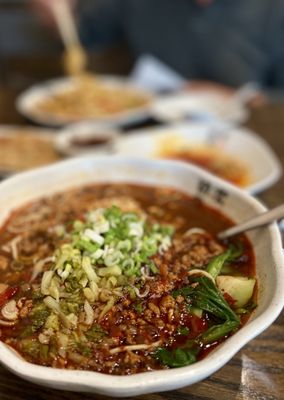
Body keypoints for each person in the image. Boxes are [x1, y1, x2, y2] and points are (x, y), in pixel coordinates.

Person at [31, 0, 284, 100]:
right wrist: (54, 15)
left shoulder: (273, 9)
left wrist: (241, 99)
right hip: (146, 131)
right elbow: (80, 36)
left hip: (248, 136)